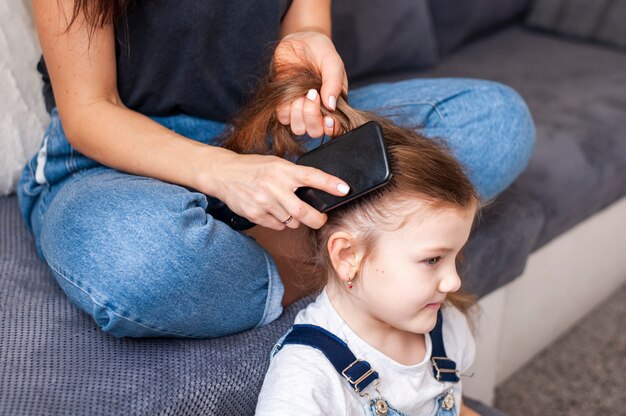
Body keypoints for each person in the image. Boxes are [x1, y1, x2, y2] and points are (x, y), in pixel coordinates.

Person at [17, 0, 535, 338]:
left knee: (496, 122)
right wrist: (225, 174)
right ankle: (338, 250)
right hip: (112, 157)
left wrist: (305, 72)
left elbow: (306, 26)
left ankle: (258, 243)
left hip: (266, 139)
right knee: (146, 264)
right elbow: (89, 111)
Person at [254, 62, 481, 416]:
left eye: (456, 256)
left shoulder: (447, 328)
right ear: (347, 257)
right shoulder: (307, 378)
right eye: (433, 259)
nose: (454, 281)